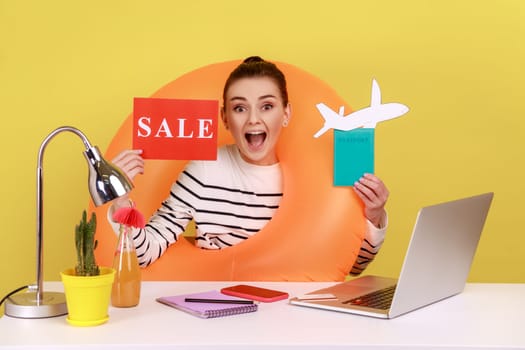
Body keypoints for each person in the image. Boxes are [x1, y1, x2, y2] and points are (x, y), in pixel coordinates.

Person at [109, 56, 389, 276]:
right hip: (216, 304)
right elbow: (145, 253)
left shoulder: (318, 177)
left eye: (266, 106)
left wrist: (373, 215)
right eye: (240, 108)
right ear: (225, 118)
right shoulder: (205, 170)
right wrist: (121, 202)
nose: (253, 119)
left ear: (286, 113)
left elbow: (352, 266)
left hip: (289, 315)